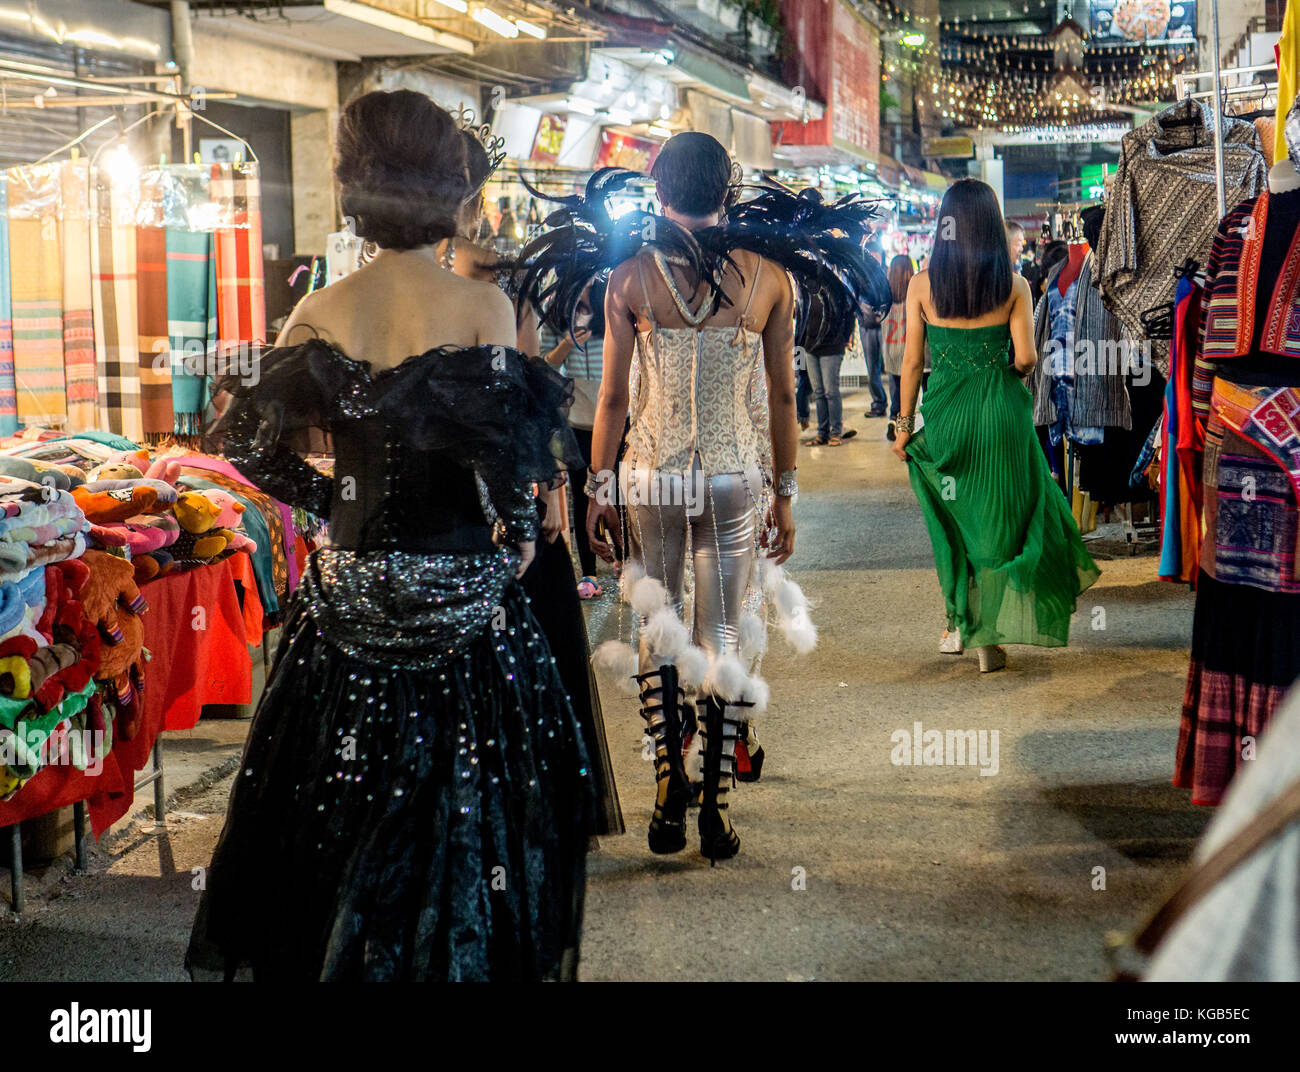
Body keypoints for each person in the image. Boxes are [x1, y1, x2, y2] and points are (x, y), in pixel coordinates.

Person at [185, 90, 592, 981]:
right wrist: (516, 539)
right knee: (470, 818)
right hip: (466, 605)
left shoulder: (320, 312)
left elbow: (246, 447)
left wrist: (333, 508)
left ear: (354, 186)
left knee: (336, 819)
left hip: (351, 607)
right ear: (447, 185)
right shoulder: (483, 311)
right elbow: (512, 467)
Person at [440, 126, 623, 838]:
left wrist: (544, 480)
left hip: (466, 488)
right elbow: (522, 381)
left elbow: (521, 382)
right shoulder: (483, 270)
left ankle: (497, 802)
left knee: (516, 636)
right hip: (458, 492)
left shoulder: (490, 269)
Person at [892, 178, 1100, 673]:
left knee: (958, 523)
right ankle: (989, 633)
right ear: (990, 227)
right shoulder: (1015, 286)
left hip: (946, 417)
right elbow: (1027, 358)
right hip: (1002, 416)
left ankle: (959, 623)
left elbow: (911, 364)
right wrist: (1006, 370)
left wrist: (903, 426)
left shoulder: (922, 285)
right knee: (1006, 522)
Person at [801, 288, 859, 446]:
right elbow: (802, 318)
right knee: (818, 392)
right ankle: (822, 433)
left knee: (830, 392)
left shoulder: (837, 290)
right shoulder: (807, 290)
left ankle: (835, 433)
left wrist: (845, 338)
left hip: (832, 347)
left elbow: (850, 315)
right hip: (810, 347)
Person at [881, 253, 927, 443]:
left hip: (892, 350)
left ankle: (894, 420)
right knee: (922, 391)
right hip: (913, 351)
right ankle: (920, 427)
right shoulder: (915, 293)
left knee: (896, 392)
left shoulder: (885, 295)